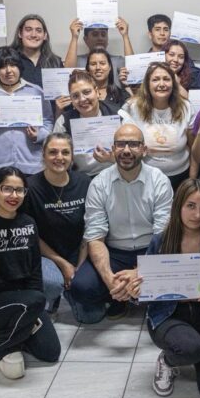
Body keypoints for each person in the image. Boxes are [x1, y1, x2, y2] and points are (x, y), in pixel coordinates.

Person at [125, 179, 200, 398]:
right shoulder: (160, 242)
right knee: (191, 348)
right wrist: (136, 293)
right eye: (191, 206)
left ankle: (196, 354)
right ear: (178, 207)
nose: (197, 214)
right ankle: (168, 361)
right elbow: (146, 289)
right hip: (168, 315)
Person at [69, 124, 173, 323]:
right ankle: (121, 295)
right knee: (81, 287)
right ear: (113, 148)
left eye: (133, 144)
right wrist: (110, 281)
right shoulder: (99, 183)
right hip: (115, 252)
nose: (126, 150)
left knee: (176, 273)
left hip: (151, 249)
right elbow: (95, 236)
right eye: (121, 144)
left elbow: (162, 235)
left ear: (144, 149)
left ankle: (139, 295)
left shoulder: (159, 180)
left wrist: (139, 272)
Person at [0, 166, 61, 379]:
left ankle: (18, 324)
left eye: (19, 190)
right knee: (35, 300)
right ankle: (1, 346)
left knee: (50, 352)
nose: (14, 195)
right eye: (7, 189)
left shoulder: (28, 223)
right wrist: (27, 300)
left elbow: (35, 271)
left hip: (27, 301)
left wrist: (30, 302)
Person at [22, 133, 91, 315]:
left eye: (65, 152)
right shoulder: (29, 187)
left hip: (79, 252)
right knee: (52, 283)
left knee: (90, 315)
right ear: (43, 155)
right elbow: (30, 235)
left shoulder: (84, 182)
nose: (59, 157)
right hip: (45, 254)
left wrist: (79, 266)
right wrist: (63, 264)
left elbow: (90, 228)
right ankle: (49, 301)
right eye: (53, 152)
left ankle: (72, 292)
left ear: (72, 156)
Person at [0, 47, 53, 179]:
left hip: (32, 164)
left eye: (13, 65)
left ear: (19, 67)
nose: (8, 70)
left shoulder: (36, 91)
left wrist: (38, 135)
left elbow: (48, 122)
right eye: (3, 66)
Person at [119, 62, 195, 190]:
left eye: (166, 79)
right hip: (145, 176)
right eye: (155, 80)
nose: (161, 84)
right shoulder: (132, 107)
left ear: (173, 83)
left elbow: (193, 147)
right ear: (147, 84)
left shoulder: (186, 107)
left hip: (180, 176)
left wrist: (192, 179)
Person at [53, 70, 119, 177]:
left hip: (114, 173)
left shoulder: (118, 115)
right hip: (80, 177)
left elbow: (134, 153)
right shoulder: (63, 122)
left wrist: (112, 158)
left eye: (87, 92)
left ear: (97, 92)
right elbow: (55, 156)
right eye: (75, 96)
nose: (82, 99)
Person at [63, 16, 133, 81]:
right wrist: (74, 37)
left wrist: (125, 35)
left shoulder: (117, 60)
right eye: (95, 34)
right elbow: (67, 74)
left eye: (103, 35)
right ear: (86, 39)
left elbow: (133, 71)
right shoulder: (78, 61)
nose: (100, 38)